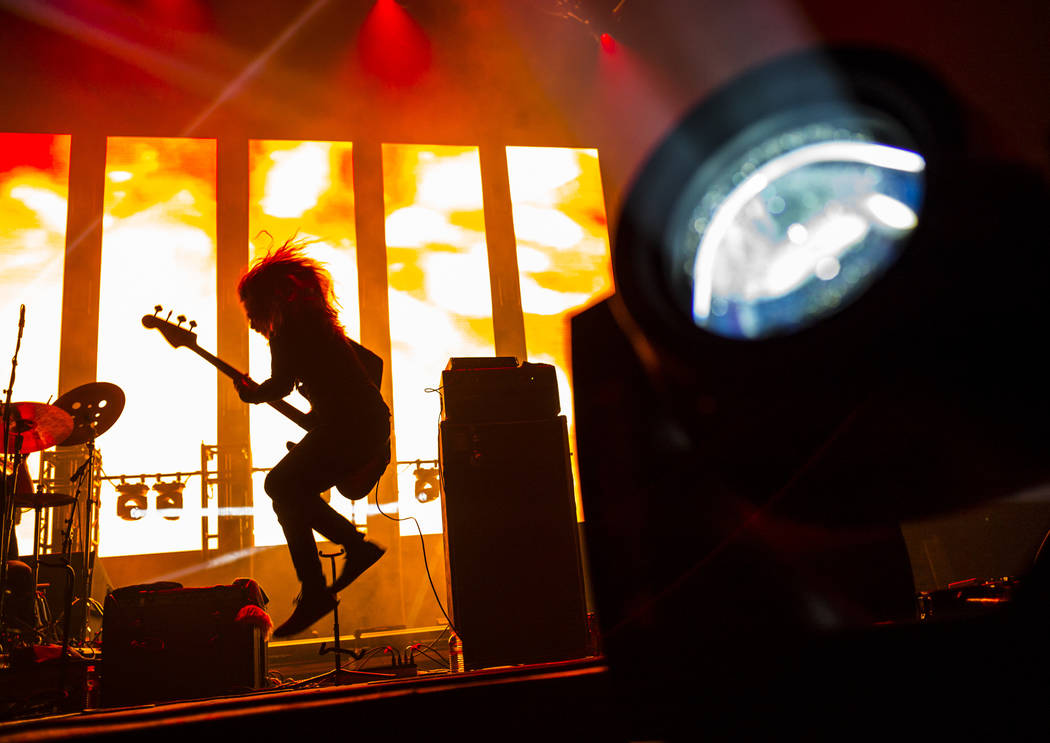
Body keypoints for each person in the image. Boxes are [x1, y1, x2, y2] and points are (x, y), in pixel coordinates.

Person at [235, 240, 390, 637]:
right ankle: (322, 582)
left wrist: (252, 393)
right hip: (365, 425)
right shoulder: (320, 326)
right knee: (288, 494)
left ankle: (344, 560)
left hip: (350, 427)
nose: (249, 317)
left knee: (280, 485)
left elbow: (281, 385)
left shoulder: (286, 330)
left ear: (269, 300)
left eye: (250, 306)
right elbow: (372, 363)